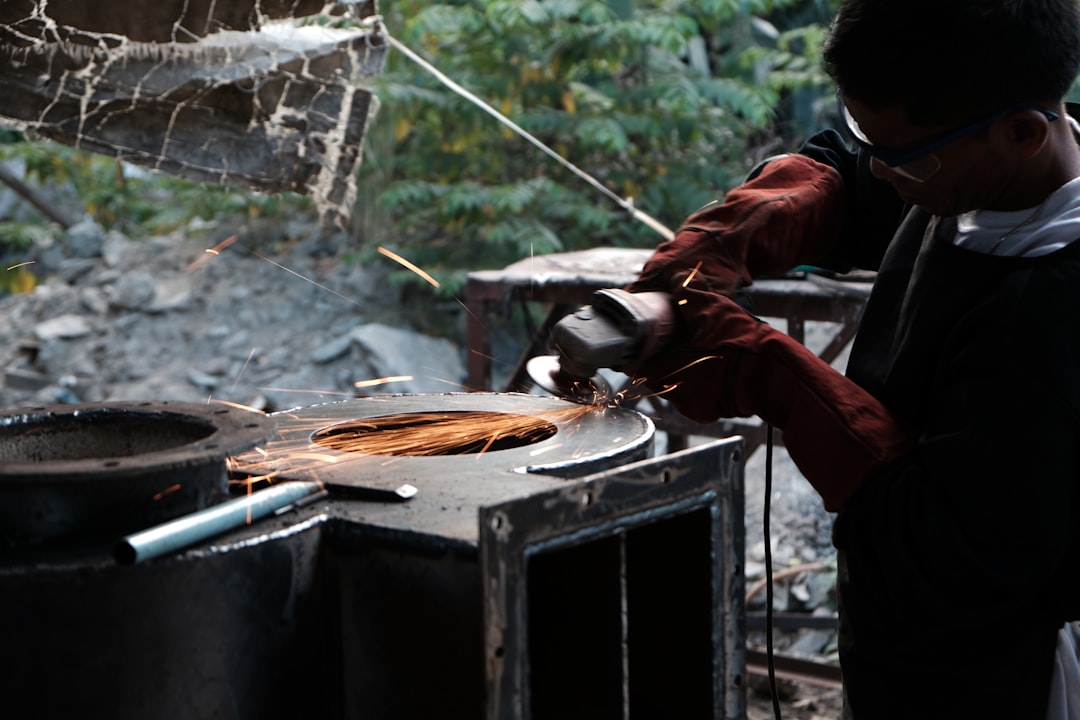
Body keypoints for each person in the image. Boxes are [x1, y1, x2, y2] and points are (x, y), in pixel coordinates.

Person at [578, 0, 1080, 717]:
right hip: (899, 645)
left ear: (1024, 132)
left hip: (1004, 674)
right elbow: (858, 176)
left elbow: (955, 553)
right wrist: (756, 221)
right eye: (864, 137)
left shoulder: (1050, 305)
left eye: (901, 155)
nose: (881, 169)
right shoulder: (972, 167)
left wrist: (770, 374)